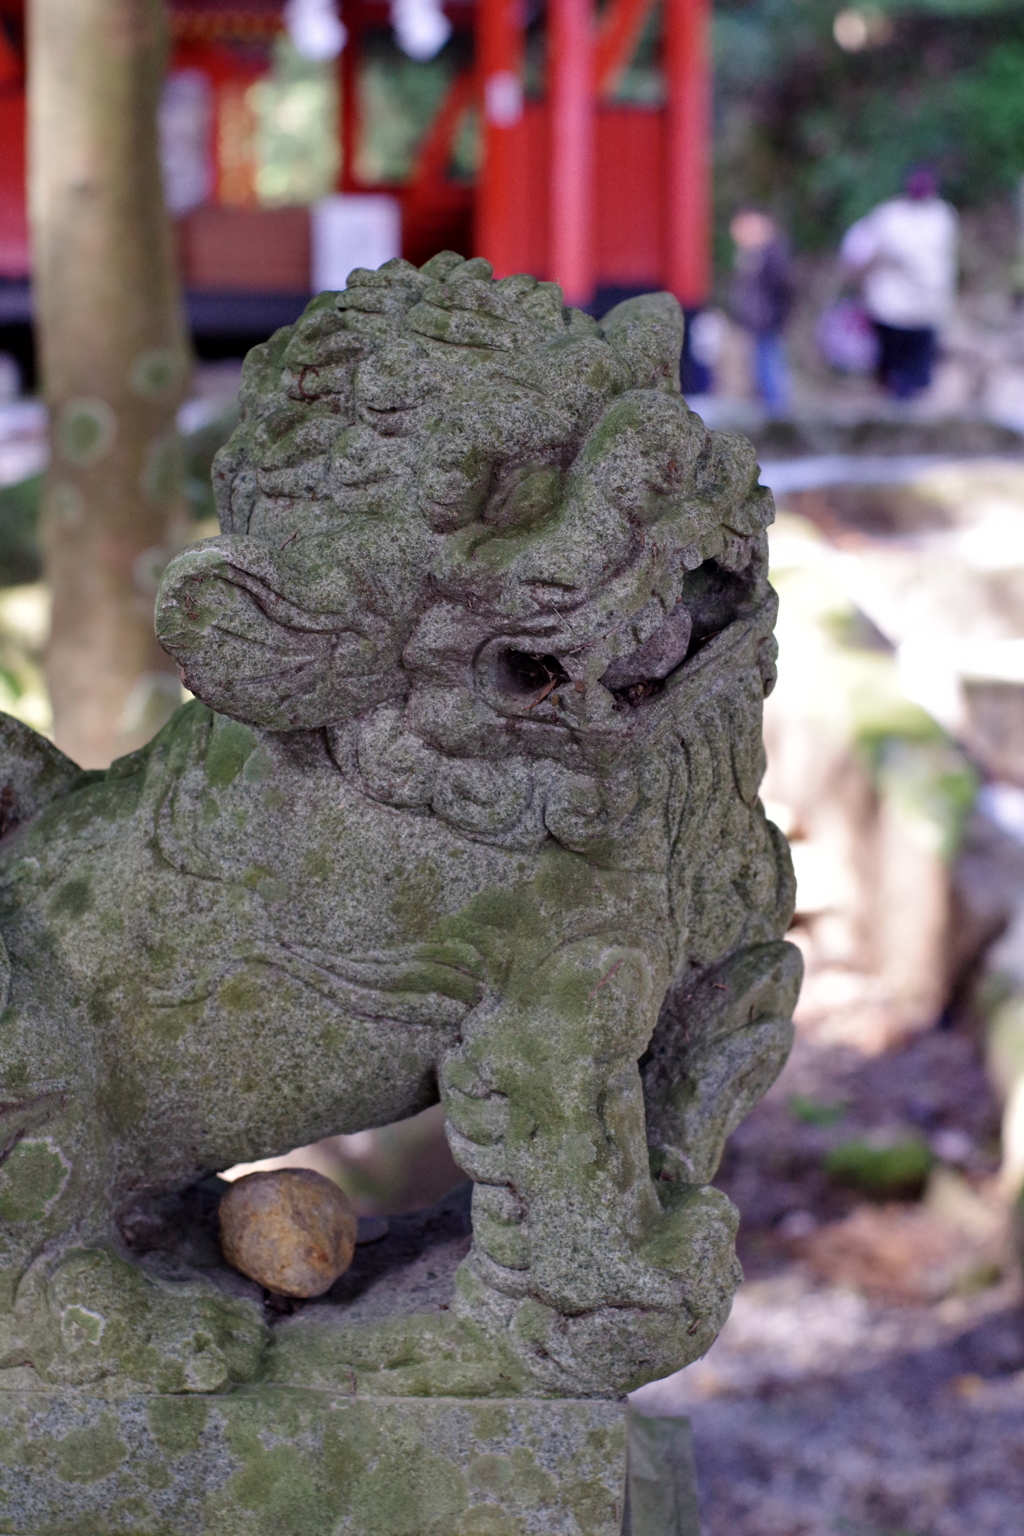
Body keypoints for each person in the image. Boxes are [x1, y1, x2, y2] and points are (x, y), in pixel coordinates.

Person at [840, 168, 958, 399]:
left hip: (901, 309)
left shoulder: (892, 216)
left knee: (898, 373)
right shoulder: (942, 216)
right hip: (916, 309)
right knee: (911, 373)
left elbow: (859, 253)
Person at [728, 208, 795, 416]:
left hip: (768, 320)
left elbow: (783, 288)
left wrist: (779, 316)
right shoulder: (753, 254)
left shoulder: (771, 254)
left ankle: (776, 417)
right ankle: (768, 414)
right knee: (760, 367)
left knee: (769, 368)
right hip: (757, 321)